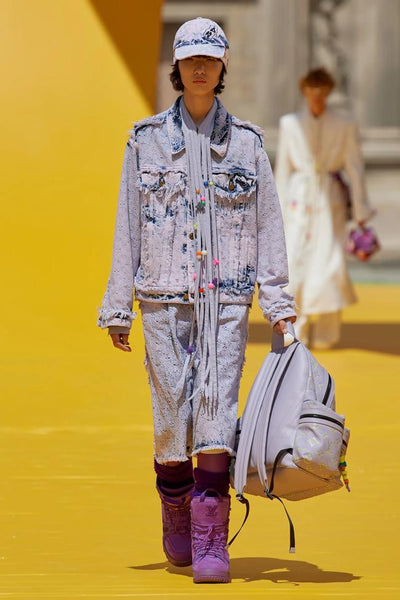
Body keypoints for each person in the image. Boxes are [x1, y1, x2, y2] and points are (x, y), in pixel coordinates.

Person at [97, 17, 296, 584]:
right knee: (169, 421)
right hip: (161, 300)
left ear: (223, 64)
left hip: (226, 303)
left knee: (215, 415)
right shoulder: (144, 141)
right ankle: (175, 507)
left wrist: (279, 304)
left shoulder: (249, 145)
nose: (200, 68)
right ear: (178, 67)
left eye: (210, 58)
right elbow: (127, 228)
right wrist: (118, 305)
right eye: (190, 59)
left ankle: (211, 532)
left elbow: (267, 229)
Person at [275, 67, 374, 349]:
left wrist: (361, 211)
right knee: (293, 262)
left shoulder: (344, 125)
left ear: (328, 94)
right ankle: (296, 327)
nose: (316, 100)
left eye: (321, 94)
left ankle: (328, 331)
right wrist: (276, 213)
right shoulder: (289, 124)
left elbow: (354, 168)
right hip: (297, 200)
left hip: (329, 200)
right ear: (304, 93)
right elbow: (283, 168)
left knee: (329, 263)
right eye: (311, 94)